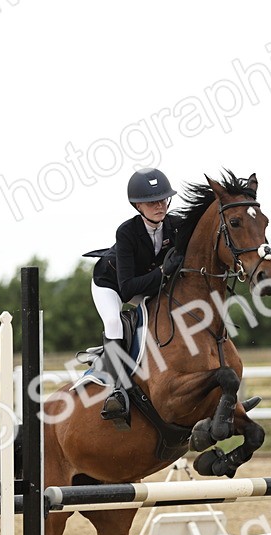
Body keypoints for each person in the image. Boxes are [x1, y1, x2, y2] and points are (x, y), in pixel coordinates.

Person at [90, 167, 184, 422]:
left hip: (146, 285)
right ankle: (116, 390)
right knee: (113, 321)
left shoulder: (175, 226)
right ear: (138, 206)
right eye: (152, 202)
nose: (160, 206)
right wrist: (165, 270)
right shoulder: (126, 232)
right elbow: (128, 288)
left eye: (163, 199)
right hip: (112, 285)